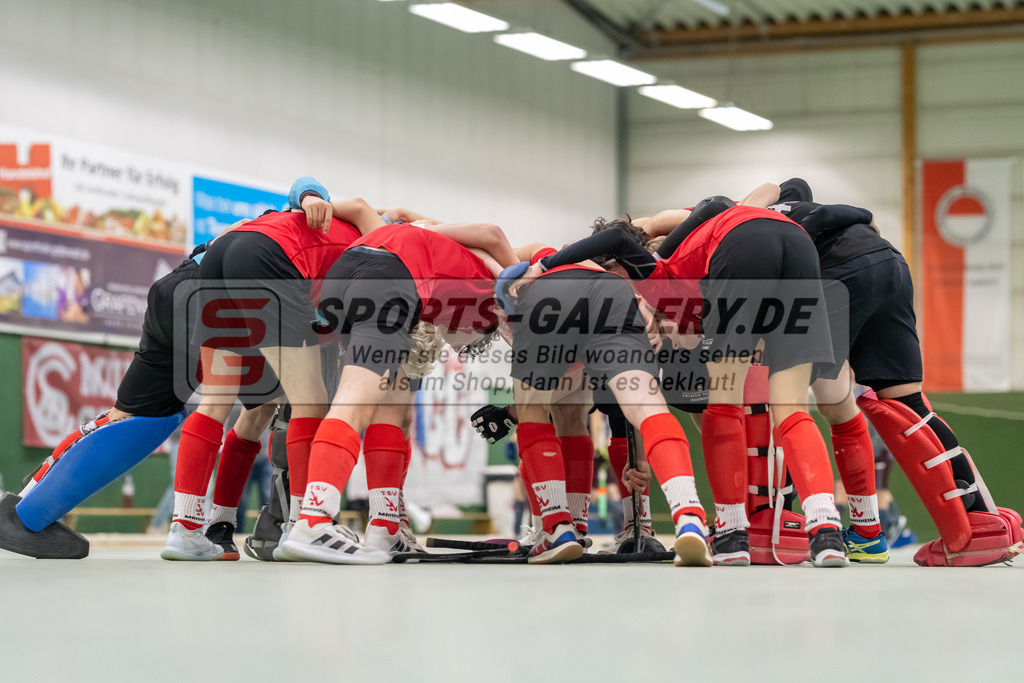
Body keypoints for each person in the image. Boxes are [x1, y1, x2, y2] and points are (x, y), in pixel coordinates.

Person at [527, 200, 849, 567]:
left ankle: (731, 534)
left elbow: (615, 237)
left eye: (660, 331)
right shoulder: (690, 299)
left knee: (724, 404)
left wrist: (544, 265)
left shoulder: (657, 273)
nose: (665, 340)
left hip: (742, 240)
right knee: (791, 409)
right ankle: (826, 530)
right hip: (798, 245)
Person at [767, 178, 1022, 566]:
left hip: (837, 276)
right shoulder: (829, 213)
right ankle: (979, 518)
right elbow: (867, 219)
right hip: (889, 264)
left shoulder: (756, 219)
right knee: (906, 405)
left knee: (782, 404)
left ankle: (790, 524)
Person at [279, 221, 513, 563]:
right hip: (387, 280)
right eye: (475, 335)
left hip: (345, 273)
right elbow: (495, 232)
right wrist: (519, 280)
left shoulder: (444, 255)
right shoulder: (493, 289)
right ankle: (313, 521)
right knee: (354, 402)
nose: (457, 342)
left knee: (387, 406)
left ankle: (384, 527)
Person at [494, 242, 713, 566]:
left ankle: (558, 528)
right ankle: (690, 517)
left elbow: (500, 243)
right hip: (612, 299)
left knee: (534, 412)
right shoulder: (610, 275)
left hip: (547, 299)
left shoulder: (533, 266)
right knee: (647, 408)